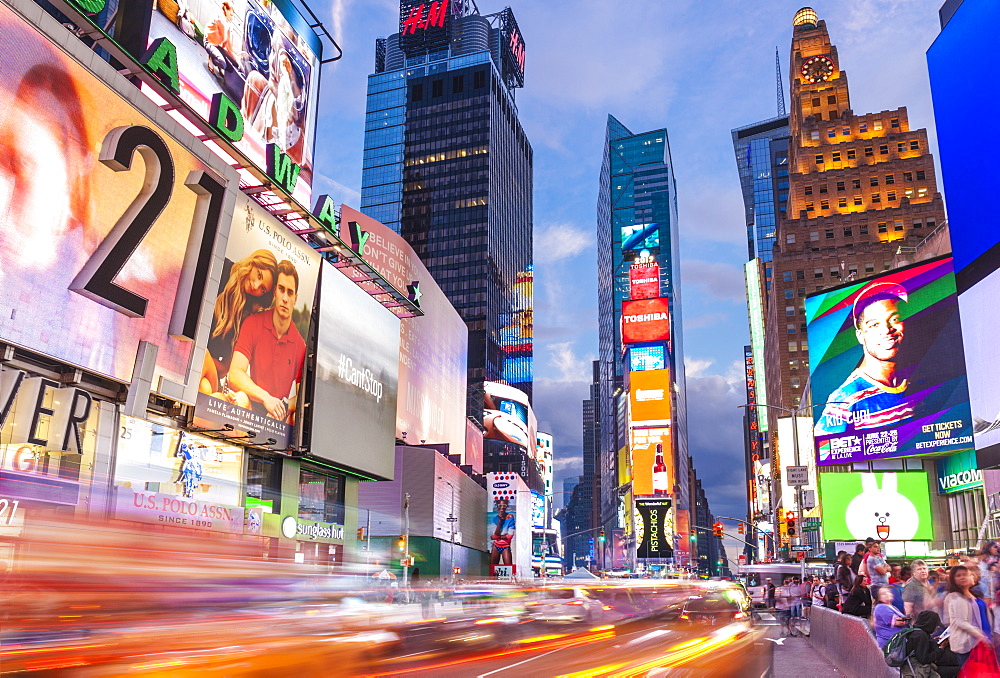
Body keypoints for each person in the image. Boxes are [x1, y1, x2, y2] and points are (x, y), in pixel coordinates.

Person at [815, 282, 912, 436]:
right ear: (860, 336)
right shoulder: (845, 398)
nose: (886, 330)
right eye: (874, 325)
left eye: (894, 319)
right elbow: (825, 450)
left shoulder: (917, 378)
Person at [228, 260, 307, 422]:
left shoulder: (300, 346)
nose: (285, 298)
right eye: (281, 289)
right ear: (275, 292)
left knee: (293, 418)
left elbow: (302, 397)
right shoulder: (253, 323)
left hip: (278, 415)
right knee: (240, 399)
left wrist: (283, 407)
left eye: (290, 293)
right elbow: (235, 374)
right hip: (253, 401)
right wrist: (266, 398)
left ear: (295, 298)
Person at [200, 249, 277, 396]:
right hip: (186, 355)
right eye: (259, 275)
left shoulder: (246, 316)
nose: (255, 286)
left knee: (202, 357)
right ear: (253, 263)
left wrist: (207, 358)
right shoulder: (221, 269)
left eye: (262, 289)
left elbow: (225, 369)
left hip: (208, 369)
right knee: (205, 389)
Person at [943, 565, 989, 667]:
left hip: (981, 641)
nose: (962, 577)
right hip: (968, 643)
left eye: (965, 574)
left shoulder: (973, 594)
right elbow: (959, 621)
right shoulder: (955, 597)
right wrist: (981, 636)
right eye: (958, 575)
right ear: (952, 579)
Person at [899, 611, 960, 678]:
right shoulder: (921, 635)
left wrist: (933, 641)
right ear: (930, 624)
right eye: (935, 626)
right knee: (958, 669)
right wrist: (941, 648)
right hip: (920, 669)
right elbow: (924, 659)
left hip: (918, 666)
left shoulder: (916, 631)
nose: (936, 628)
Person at [873, 584, 909, 649]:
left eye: (888, 592)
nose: (887, 594)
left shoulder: (893, 607)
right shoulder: (881, 607)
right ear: (879, 597)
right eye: (883, 593)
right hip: (890, 643)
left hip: (898, 640)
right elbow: (899, 622)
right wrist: (908, 619)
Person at [490, 498, 515, 566]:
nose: (502, 508)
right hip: (496, 546)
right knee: (493, 569)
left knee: (509, 568)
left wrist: (497, 537)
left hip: (506, 546)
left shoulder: (510, 517)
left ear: (506, 506)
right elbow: (495, 536)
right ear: (497, 506)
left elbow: (509, 536)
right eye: (500, 506)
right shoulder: (495, 518)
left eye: (504, 506)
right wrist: (499, 522)